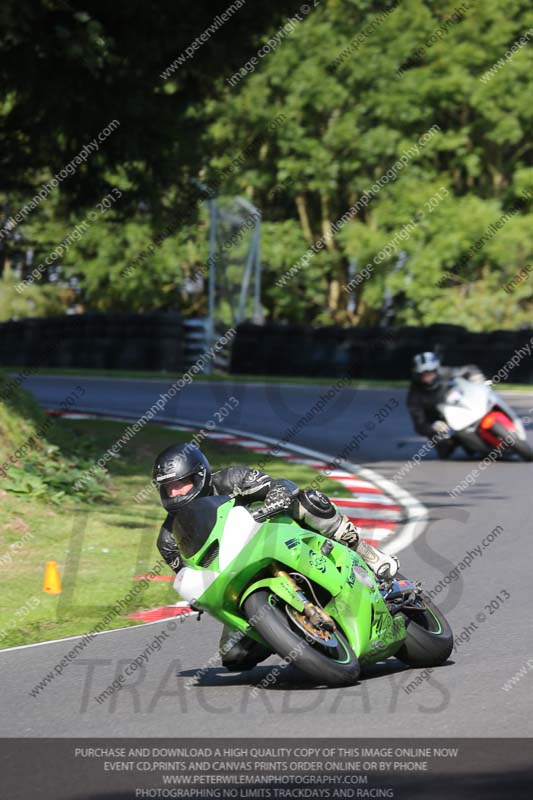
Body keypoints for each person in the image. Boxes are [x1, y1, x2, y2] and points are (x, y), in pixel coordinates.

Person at [153, 443, 399, 670]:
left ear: (200, 476)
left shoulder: (231, 479)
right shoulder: (167, 539)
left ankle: (368, 555)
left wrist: (277, 496)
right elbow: (189, 573)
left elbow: (280, 484)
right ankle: (288, 632)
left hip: (275, 536)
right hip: (233, 576)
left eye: (181, 484)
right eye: (168, 488)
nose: (175, 494)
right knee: (234, 656)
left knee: (308, 500)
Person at [407, 352, 485, 458]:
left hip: (461, 409)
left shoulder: (446, 373)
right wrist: (432, 427)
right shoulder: (414, 395)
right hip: (440, 423)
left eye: (430, 372)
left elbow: (470, 369)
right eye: (423, 374)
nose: (427, 377)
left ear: (436, 370)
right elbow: (419, 425)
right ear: (416, 374)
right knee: (444, 449)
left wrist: (476, 377)